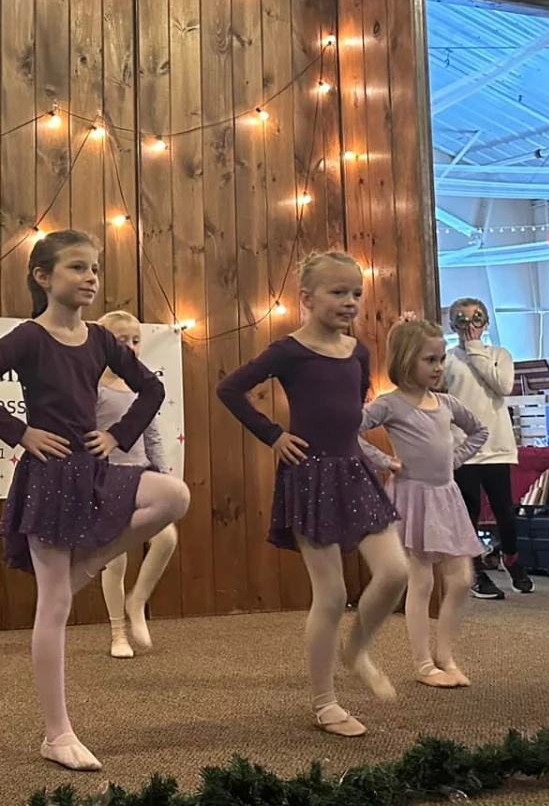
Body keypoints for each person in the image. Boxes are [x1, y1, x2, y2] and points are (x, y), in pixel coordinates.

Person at [0, 230, 192, 772]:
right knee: (54, 606)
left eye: (95, 270)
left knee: (173, 495)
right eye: (77, 268)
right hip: (49, 477)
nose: (90, 279)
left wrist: (119, 437)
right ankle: (57, 733)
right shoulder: (28, 337)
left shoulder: (102, 340)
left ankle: (92, 562)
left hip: (95, 470)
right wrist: (20, 433)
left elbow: (151, 390)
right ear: (43, 277)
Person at [215, 251, 407, 738]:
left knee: (394, 572)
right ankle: (324, 702)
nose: (349, 302)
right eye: (338, 292)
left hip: (353, 472)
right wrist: (274, 435)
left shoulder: (359, 351)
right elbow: (230, 390)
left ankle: (356, 649)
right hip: (311, 477)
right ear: (306, 298)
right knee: (333, 594)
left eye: (356, 294)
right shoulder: (289, 351)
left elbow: (355, 402)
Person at [359, 319, 489, 688]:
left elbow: (480, 430)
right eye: (429, 360)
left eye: (441, 359)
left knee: (462, 579)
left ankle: (445, 654)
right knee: (421, 583)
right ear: (404, 360)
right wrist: (386, 461)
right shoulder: (390, 405)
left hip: (446, 497)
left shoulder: (446, 402)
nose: (438, 367)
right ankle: (423, 665)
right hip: (412, 498)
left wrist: (456, 459)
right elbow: (350, 434)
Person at [92, 309, 178, 659]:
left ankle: (137, 600)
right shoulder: (93, 387)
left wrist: (166, 477)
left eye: (136, 340)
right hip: (109, 478)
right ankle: (117, 633)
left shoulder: (143, 387)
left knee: (167, 537)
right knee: (115, 560)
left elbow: (153, 435)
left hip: (143, 475)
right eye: (121, 341)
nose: (130, 347)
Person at [442, 299, 529, 598]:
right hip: (462, 447)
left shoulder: (499, 355)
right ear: (452, 326)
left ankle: (511, 557)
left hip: (497, 445)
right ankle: (475, 570)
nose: (470, 327)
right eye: (462, 321)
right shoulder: (447, 359)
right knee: (469, 511)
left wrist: (476, 350)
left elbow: (502, 385)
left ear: (486, 323)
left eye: (476, 319)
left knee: (505, 509)